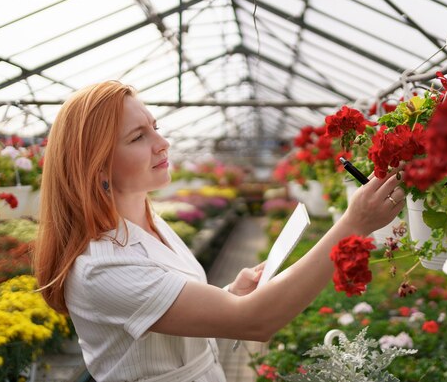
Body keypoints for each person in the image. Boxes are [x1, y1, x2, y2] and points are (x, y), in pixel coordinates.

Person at [33, 80, 406, 382]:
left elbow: (166, 315)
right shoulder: (102, 267)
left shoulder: (149, 222)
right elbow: (255, 321)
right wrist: (352, 224)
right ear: (97, 166)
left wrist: (229, 294)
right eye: (137, 137)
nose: (162, 144)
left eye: (155, 128)